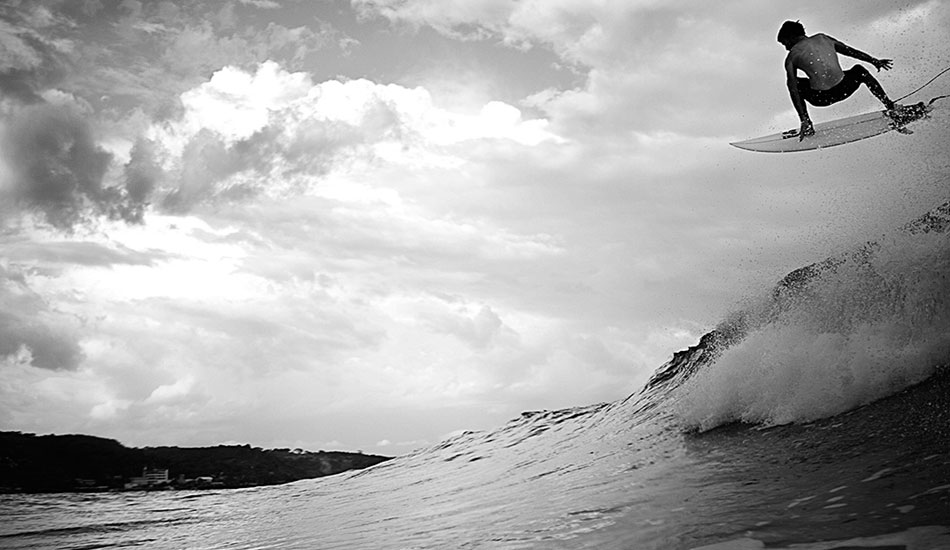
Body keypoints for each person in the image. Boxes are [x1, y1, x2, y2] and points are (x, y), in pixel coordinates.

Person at [777, 20, 901, 140]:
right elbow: (850, 51)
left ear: (791, 37)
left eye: (785, 43)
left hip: (821, 98)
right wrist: (873, 60)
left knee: (795, 83)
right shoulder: (823, 38)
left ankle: (807, 123)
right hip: (844, 88)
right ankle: (891, 107)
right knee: (859, 71)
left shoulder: (792, 57)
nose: (786, 48)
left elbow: (793, 89)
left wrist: (803, 119)